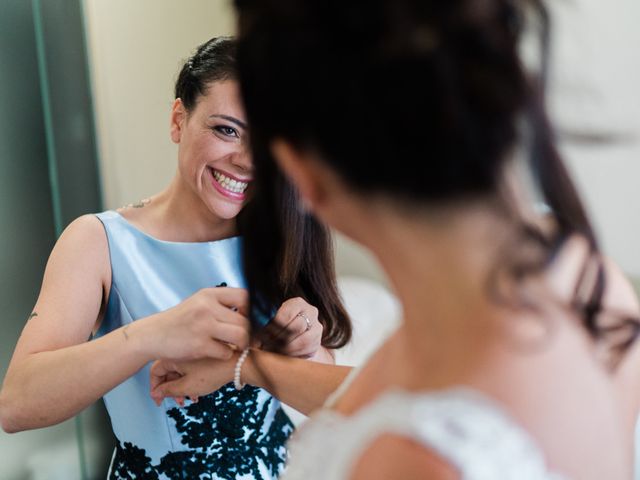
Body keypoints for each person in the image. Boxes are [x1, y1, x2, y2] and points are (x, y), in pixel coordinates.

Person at [150, 1, 640, 478]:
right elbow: (385, 393)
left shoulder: (414, 460)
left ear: (302, 176)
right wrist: (245, 367)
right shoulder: (587, 277)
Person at [0, 36, 351, 479]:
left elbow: (338, 397)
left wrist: (304, 347)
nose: (245, 161)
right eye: (226, 130)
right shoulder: (99, 241)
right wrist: (156, 333)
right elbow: (16, 405)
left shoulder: (283, 235)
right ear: (178, 120)